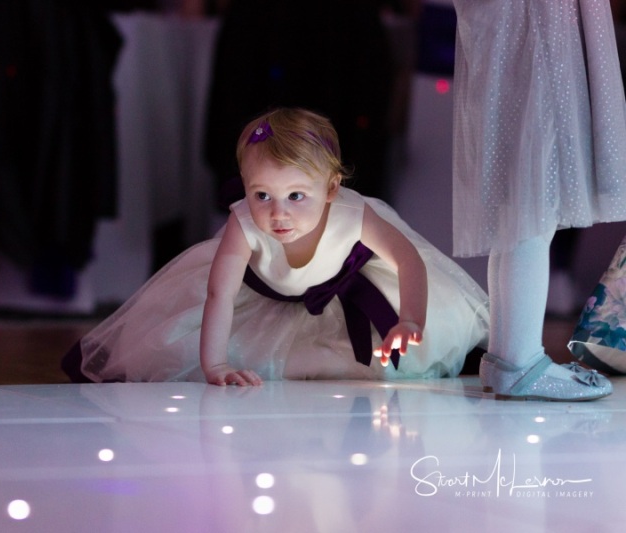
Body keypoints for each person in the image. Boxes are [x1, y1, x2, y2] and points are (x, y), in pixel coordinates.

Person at [63, 108, 488, 385]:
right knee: (205, 357)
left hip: (344, 296)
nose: (277, 214)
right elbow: (220, 293)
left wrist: (410, 319)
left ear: (331, 189)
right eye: (262, 194)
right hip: (263, 300)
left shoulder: (351, 215)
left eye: (295, 196)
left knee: (382, 365)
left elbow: (408, 260)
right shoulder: (243, 223)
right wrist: (215, 366)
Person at [452, 0, 626, 400]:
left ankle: (508, 355)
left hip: (522, 17)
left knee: (521, 196)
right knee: (533, 188)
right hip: (533, 15)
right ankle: (519, 359)